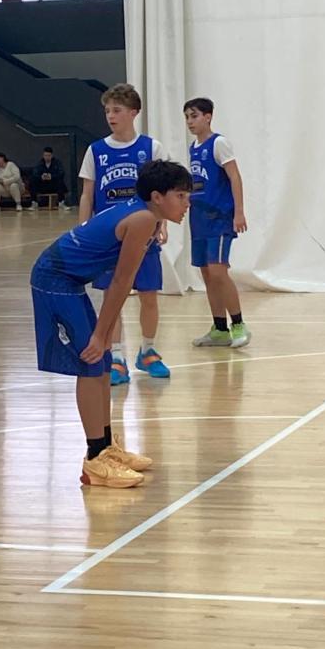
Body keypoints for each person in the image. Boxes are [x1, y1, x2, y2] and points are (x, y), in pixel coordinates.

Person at [32, 160, 192, 487]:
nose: (186, 203)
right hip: (54, 279)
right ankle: (94, 461)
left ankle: (105, 448)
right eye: (180, 196)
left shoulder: (146, 216)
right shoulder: (143, 219)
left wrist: (103, 335)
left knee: (102, 362)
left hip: (67, 279)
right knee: (91, 362)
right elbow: (121, 282)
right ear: (157, 197)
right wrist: (100, 334)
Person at [79, 83, 171, 384]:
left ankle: (148, 351)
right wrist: (83, 231)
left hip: (143, 236)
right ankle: (116, 357)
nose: (110, 116)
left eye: (117, 110)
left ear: (134, 112)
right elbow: (87, 195)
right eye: (107, 111)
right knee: (112, 298)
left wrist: (162, 223)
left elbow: (163, 193)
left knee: (149, 296)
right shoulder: (96, 150)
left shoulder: (151, 148)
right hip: (108, 239)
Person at [184, 97, 251, 348]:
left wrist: (239, 212)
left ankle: (239, 324)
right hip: (199, 219)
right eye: (187, 117)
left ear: (208, 117)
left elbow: (235, 177)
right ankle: (220, 329)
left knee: (218, 271)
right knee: (207, 274)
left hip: (219, 218)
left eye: (194, 116)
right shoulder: (193, 148)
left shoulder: (218, 143)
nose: (190, 121)